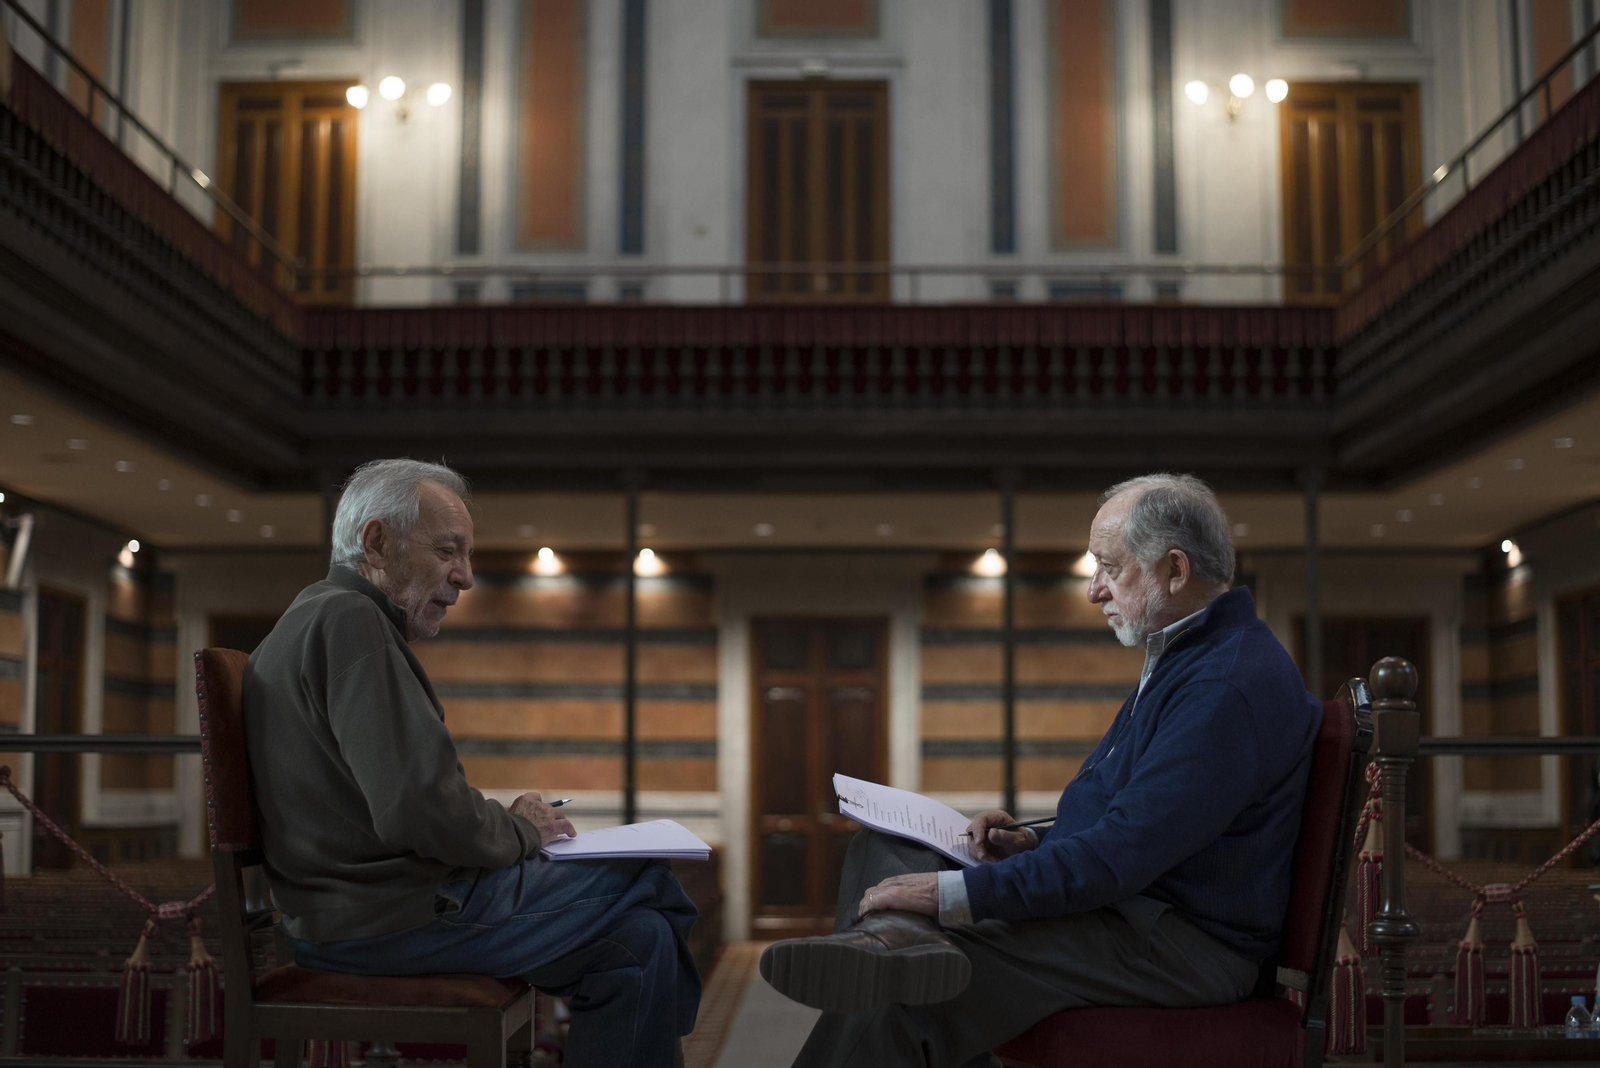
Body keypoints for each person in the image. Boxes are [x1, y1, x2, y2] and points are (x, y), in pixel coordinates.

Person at [761, 473, 1322, 1068]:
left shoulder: (1221, 685)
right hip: (1133, 910)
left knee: (898, 994)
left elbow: (1119, 855)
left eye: (1110, 567)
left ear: (1175, 572)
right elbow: (1144, 821)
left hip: (1180, 943)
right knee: (883, 845)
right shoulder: (1193, 656)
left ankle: (894, 947)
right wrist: (1032, 839)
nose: (1094, 591)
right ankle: (892, 941)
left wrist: (958, 893)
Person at [243, 458, 699, 1068]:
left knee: (638, 942)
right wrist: (521, 832)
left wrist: (509, 820)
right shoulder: (350, 621)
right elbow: (416, 810)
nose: (465, 577)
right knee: (650, 877)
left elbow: (409, 798)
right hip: (389, 921)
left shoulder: (312, 616)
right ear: (376, 542)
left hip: (356, 913)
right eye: (447, 551)